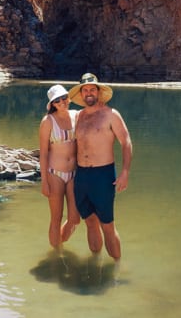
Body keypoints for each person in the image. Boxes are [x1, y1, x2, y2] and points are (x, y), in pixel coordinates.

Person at [67, 72, 132, 260]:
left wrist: (125, 172)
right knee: (89, 222)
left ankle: (116, 267)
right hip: (82, 176)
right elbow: (56, 114)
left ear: (98, 92)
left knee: (107, 225)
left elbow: (126, 142)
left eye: (92, 90)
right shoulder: (78, 116)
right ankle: (95, 264)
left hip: (103, 175)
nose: (88, 93)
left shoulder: (111, 114)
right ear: (81, 94)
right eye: (85, 90)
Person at [38, 84, 81, 248]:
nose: (62, 102)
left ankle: (59, 243)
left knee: (75, 218)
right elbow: (43, 153)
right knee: (56, 218)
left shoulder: (76, 115)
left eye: (64, 98)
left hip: (74, 174)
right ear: (52, 104)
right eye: (57, 100)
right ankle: (57, 255)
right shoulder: (47, 122)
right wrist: (44, 182)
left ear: (69, 98)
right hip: (54, 173)